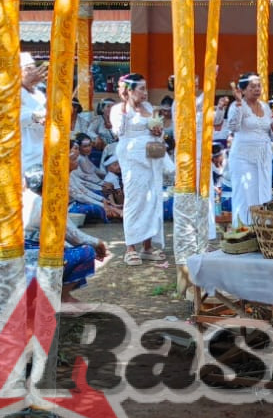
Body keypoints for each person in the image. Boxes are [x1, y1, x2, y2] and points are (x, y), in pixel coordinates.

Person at [113, 74, 172, 265]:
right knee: (135, 199)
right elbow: (118, 131)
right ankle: (130, 247)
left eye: (146, 89)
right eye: (141, 89)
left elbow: (158, 129)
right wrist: (123, 106)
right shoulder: (118, 109)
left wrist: (158, 131)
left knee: (152, 198)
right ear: (129, 91)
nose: (145, 93)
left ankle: (147, 246)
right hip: (132, 159)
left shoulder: (148, 108)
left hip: (152, 156)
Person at [22, 173, 109, 301]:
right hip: (35, 259)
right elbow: (76, 237)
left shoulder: (21, 199)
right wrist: (98, 243)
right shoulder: (49, 203)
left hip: (18, 257)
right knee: (86, 252)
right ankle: (62, 298)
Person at [225, 73, 273, 228]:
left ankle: (261, 229)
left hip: (263, 157)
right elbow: (233, 127)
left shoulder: (266, 107)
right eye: (252, 86)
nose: (257, 89)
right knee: (244, 194)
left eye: (259, 86)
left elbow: (272, 136)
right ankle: (243, 230)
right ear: (243, 90)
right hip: (243, 158)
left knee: (262, 193)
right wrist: (238, 104)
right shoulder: (237, 106)